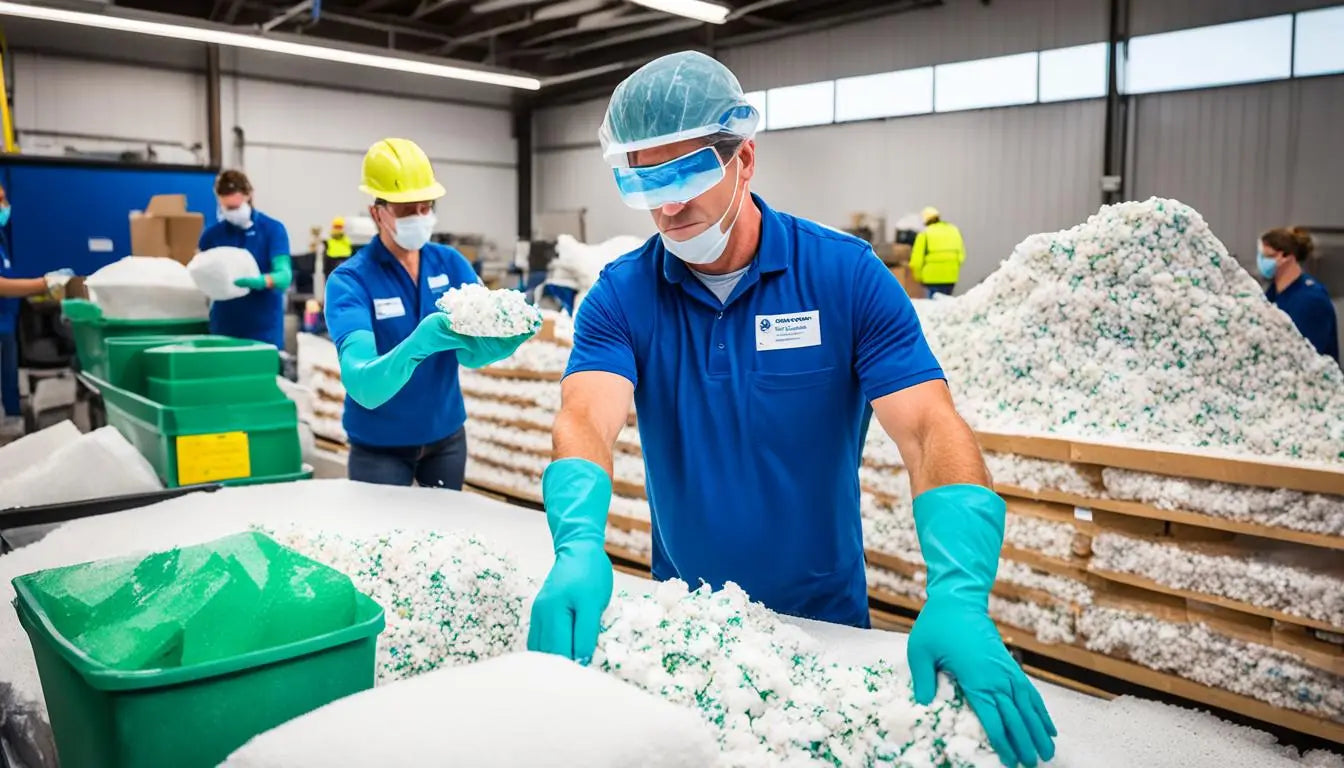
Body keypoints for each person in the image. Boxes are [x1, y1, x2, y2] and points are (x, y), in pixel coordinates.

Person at [525, 52, 1055, 768]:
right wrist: (579, 545)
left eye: (685, 176)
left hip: (826, 628)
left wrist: (959, 592)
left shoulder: (843, 276)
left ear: (745, 159)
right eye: (643, 183)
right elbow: (586, 417)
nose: (668, 207)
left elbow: (929, 427)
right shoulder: (623, 295)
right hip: (691, 632)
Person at [324, 138, 534, 489]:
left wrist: (498, 340)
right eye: (407, 209)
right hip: (380, 448)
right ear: (378, 212)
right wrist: (417, 345)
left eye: (427, 207)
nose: (420, 218)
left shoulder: (450, 263)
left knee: (445, 540)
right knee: (386, 541)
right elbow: (363, 383)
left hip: (446, 439)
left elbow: (470, 351)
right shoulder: (351, 281)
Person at [0, 185, 75, 432]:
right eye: (0, 200)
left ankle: (12, 421)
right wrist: (43, 283)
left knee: (8, 381)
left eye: (5, 199)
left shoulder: (1, 240)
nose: (5, 206)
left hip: (6, 324)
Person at [197, 170, 292, 348]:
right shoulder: (212, 235)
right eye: (227, 208)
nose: (232, 213)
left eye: (236, 207)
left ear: (249, 195)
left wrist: (261, 281)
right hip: (224, 327)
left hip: (263, 329)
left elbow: (284, 276)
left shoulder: (272, 230)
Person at [910, 206, 966, 296]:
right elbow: (961, 256)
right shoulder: (954, 230)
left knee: (934, 306)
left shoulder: (924, 234)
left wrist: (919, 278)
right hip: (950, 278)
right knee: (946, 306)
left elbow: (916, 262)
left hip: (931, 279)